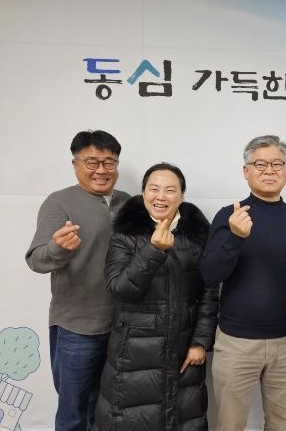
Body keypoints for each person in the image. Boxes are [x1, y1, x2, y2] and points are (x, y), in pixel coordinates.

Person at [92, 163, 218, 431]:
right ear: (143, 193)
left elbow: (209, 292)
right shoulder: (125, 234)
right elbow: (119, 289)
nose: (161, 197)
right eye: (154, 189)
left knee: (182, 419)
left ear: (181, 196)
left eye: (170, 190)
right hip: (134, 352)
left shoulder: (196, 235)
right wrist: (153, 251)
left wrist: (200, 341)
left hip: (184, 350)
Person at [199, 135, 286, 431]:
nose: (269, 170)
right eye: (260, 164)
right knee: (230, 425)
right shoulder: (230, 215)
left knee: (283, 425)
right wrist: (235, 237)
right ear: (245, 171)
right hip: (236, 342)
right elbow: (210, 275)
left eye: (277, 164)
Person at [25, 130, 129, 431]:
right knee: (74, 412)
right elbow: (36, 259)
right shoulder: (59, 203)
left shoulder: (130, 203)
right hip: (77, 328)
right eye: (92, 162)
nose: (101, 170)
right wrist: (58, 248)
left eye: (109, 162)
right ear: (75, 164)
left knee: (111, 411)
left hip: (123, 327)